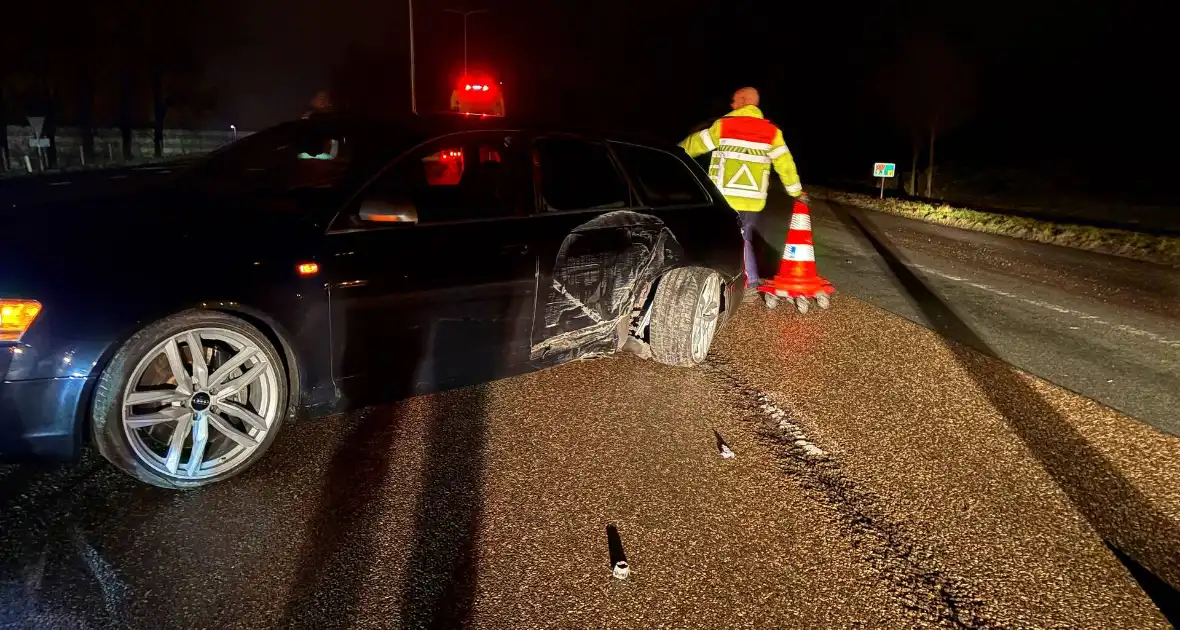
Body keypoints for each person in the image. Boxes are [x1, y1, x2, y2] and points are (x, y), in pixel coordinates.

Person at [679, 87, 808, 290]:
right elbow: (786, 165)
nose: (731, 105)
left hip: (725, 197)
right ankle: (743, 281)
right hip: (753, 200)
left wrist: (671, 155)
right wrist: (796, 192)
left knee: (721, 238)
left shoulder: (723, 126)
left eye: (734, 101)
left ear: (742, 100)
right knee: (743, 238)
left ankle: (735, 282)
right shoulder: (772, 132)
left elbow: (692, 145)